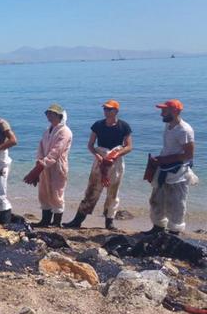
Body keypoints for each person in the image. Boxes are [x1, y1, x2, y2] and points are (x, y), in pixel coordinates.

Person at [63, 100, 132, 230]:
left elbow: (129, 146)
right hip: (99, 159)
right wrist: (98, 156)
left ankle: (109, 222)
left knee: (113, 192)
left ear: (116, 111)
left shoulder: (124, 126)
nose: (106, 111)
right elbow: (90, 145)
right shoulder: (98, 125)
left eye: (109, 109)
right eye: (105, 109)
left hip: (116, 161)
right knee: (92, 190)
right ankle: (77, 220)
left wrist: (115, 155)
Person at [143, 99, 196, 235]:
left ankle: (175, 231)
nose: (162, 114)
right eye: (162, 110)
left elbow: (189, 154)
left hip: (178, 171)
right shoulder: (168, 125)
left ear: (175, 111)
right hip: (163, 167)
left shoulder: (184, 130)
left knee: (176, 203)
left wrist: (164, 159)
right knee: (156, 199)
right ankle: (158, 227)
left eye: (164, 111)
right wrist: (160, 160)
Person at [23, 104, 73, 227]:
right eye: (48, 113)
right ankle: (45, 220)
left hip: (57, 166)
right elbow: (41, 147)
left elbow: (56, 152)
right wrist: (39, 163)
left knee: (56, 192)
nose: (49, 116)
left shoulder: (65, 132)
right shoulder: (48, 130)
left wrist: (38, 168)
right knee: (44, 192)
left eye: (52, 114)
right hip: (44, 165)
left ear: (59, 116)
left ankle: (56, 222)